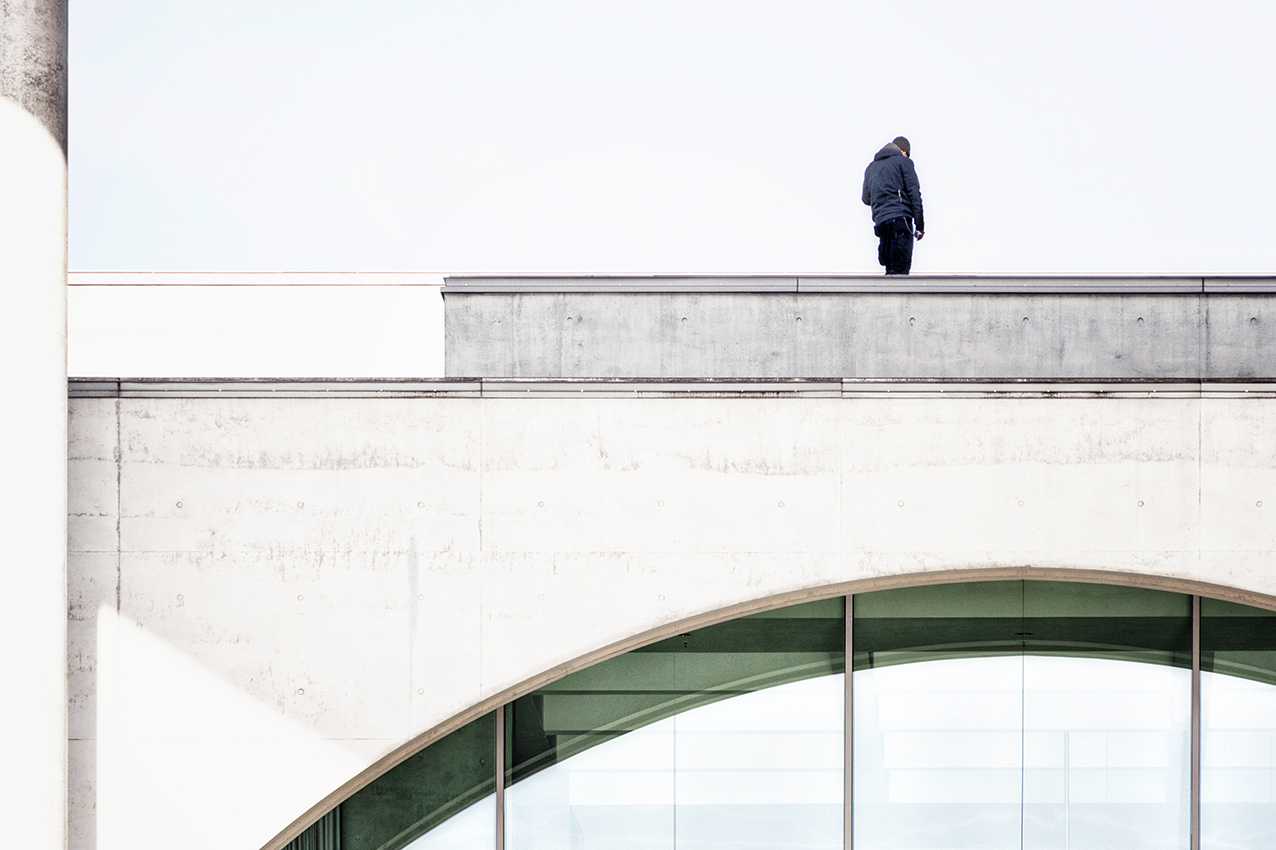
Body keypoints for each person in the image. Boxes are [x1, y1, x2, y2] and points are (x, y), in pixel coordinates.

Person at [862, 136, 925, 275]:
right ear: (903, 151)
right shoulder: (903, 162)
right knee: (901, 270)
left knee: (890, 268)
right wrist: (920, 225)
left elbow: (866, 198)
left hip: (881, 223)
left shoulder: (871, 168)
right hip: (900, 219)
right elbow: (915, 194)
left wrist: (882, 197)